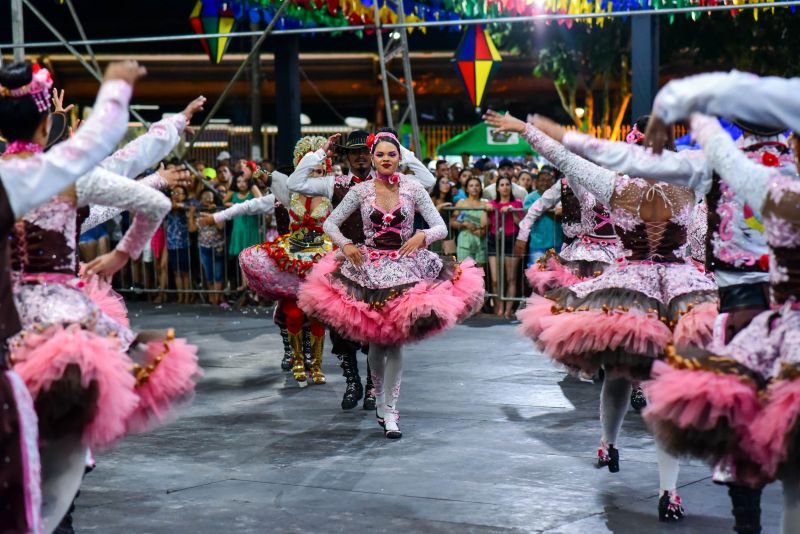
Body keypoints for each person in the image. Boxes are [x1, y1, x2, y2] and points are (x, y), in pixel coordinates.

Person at [485, 110, 718, 522]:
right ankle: (609, 443)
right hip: (627, 289)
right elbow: (564, 157)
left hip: (679, 292)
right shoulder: (616, 183)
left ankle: (669, 490)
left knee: (663, 383)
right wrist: (526, 131)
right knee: (618, 373)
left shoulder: (692, 180)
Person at [0, 59, 144, 534]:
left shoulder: (26, 177)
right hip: (48, 323)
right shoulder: (55, 176)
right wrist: (118, 85)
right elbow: (107, 149)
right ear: (44, 124)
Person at [641, 108, 800, 534]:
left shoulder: (713, 170)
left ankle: (745, 524)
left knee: (740, 426)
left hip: (741, 318)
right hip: (780, 316)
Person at [297, 128, 485, 438]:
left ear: (400, 158)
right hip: (368, 270)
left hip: (406, 270)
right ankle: (378, 398)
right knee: (376, 342)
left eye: (392, 154)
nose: (386, 159)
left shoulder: (413, 188)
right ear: (372, 158)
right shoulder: (361, 191)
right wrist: (345, 245)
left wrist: (422, 235)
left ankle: (390, 409)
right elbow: (330, 222)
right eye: (380, 154)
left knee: (395, 343)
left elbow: (441, 226)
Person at [288, 130, 435, 411]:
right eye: (352, 152)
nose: (358, 157)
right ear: (346, 156)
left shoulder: (392, 184)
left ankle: (372, 385)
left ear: (370, 156)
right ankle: (352, 380)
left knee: (376, 329)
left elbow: (428, 180)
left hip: (381, 266)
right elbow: (296, 182)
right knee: (342, 329)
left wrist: (398, 148)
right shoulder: (336, 183)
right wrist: (321, 153)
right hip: (346, 263)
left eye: (362, 151)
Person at [203, 137, 333, 387]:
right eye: (310, 167)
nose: (315, 173)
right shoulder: (288, 191)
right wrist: (253, 170)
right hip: (293, 256)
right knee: (292, 312)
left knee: (317, 313)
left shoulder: (331, 189)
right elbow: (250, 203)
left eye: (319, 168)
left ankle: (315, 364)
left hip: (322, 257)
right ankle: (295, 359)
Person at [486, 176, 523, 319]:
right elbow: (486, 223)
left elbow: (520, 223)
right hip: (494, 239)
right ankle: (498, 306)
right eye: (502, 185)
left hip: (511, 239)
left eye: (507, 184)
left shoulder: (517, 203)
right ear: (497, 188)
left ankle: (508, 309)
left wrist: (512, 211)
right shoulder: (491, 203)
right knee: (495, 279)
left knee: (511, 278)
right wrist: (485, 209)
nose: (505, 187)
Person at [519, 169, 563, 268]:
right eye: (542, 180)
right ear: (536, 183)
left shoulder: (559, 196)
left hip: (557, 242)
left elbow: (560, 215)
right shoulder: (530, 198)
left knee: (556, 276)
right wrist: (549, 207)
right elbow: (531, 216)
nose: (545, 183)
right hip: (537, 244)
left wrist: (540, 208)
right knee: (537, 274)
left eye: (548, 180)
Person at [228, 171, 263, 288]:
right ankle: (245, 285)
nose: (241, 184)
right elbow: (224, 201)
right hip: (238, 231)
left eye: (244, 181)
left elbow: (261, 200)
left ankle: (253, 287)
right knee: (242, 262)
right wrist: (230, 205)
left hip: (251, 230)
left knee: (253, 261)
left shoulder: (252, 193)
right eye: (238, 181)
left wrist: (252, 183)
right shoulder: (233, 194)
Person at [451, 175, 488, 273]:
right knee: (465, 273)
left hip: (481, 240)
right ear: (467, 189)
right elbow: (453, 222)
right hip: (465, 241)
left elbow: (490, 223)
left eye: (477, 185)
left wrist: (484, 230)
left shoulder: (485, 204)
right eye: (471, 185)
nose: (474, 188)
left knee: (480, 274)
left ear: (480, 188)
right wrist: (465, 224)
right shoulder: (461, 203)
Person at [197, 188, 227, 306]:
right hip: (204, 246)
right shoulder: (198, 213)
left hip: (218, 246)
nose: (208, 200)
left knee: (218, 274)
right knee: (208, 274)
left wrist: (213, 215)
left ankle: (217, 298)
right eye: (205, 197)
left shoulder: (218, 212)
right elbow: (193, 228)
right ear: (201, 199)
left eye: (210, 197)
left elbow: (220, 226)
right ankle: (211, 297)